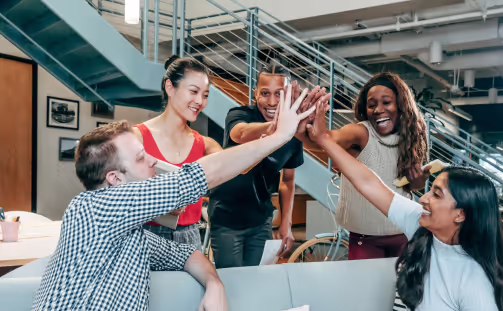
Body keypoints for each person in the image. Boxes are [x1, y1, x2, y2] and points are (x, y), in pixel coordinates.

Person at [8, 85, 316, 311]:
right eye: (142, 157)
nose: (153, 162)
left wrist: (215, 284)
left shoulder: (135, 237)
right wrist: (279, 136)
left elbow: (186, 253)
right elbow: (193, 179)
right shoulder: (91, 209)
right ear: (116, 179)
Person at [306, 102, 503, 311]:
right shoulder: (422, 228)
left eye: (436, 194)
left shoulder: (476, 280)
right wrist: (324, 140)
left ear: (461, 214)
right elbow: (369, 184)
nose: (423, 199)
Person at [298, 72, 429, 261]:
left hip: (403, 233)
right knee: (365, 290)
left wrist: (417, 181)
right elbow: (327, 140)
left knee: (401, 289)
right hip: (365, 237)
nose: (378, 110)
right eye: (372, 104)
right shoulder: (360, 132)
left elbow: (407, 187)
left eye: (386, 102)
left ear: (401, 105)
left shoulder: (410, 138)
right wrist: (307, 122)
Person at [207, 65, 324, 268]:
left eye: (279, 94)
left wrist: (286, 224)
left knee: (254, 280)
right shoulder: (238, 114)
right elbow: (240, 133)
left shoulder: (293, 134)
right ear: (255, 94)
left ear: (288, 96)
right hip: (227, 217)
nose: (271, 102)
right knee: (231, 281)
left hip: (261, 220)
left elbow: (287, 180)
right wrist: (276, 128)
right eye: (265, 93)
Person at [134, 56, 223, 249]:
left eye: (205, 95)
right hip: (145, 235)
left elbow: (237, 168)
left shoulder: (205, 144)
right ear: (170, 87)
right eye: (193, 91)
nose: (200, 101)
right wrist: (160, 202)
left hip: (190, 237)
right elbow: (114, 191)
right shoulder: (136, 137)